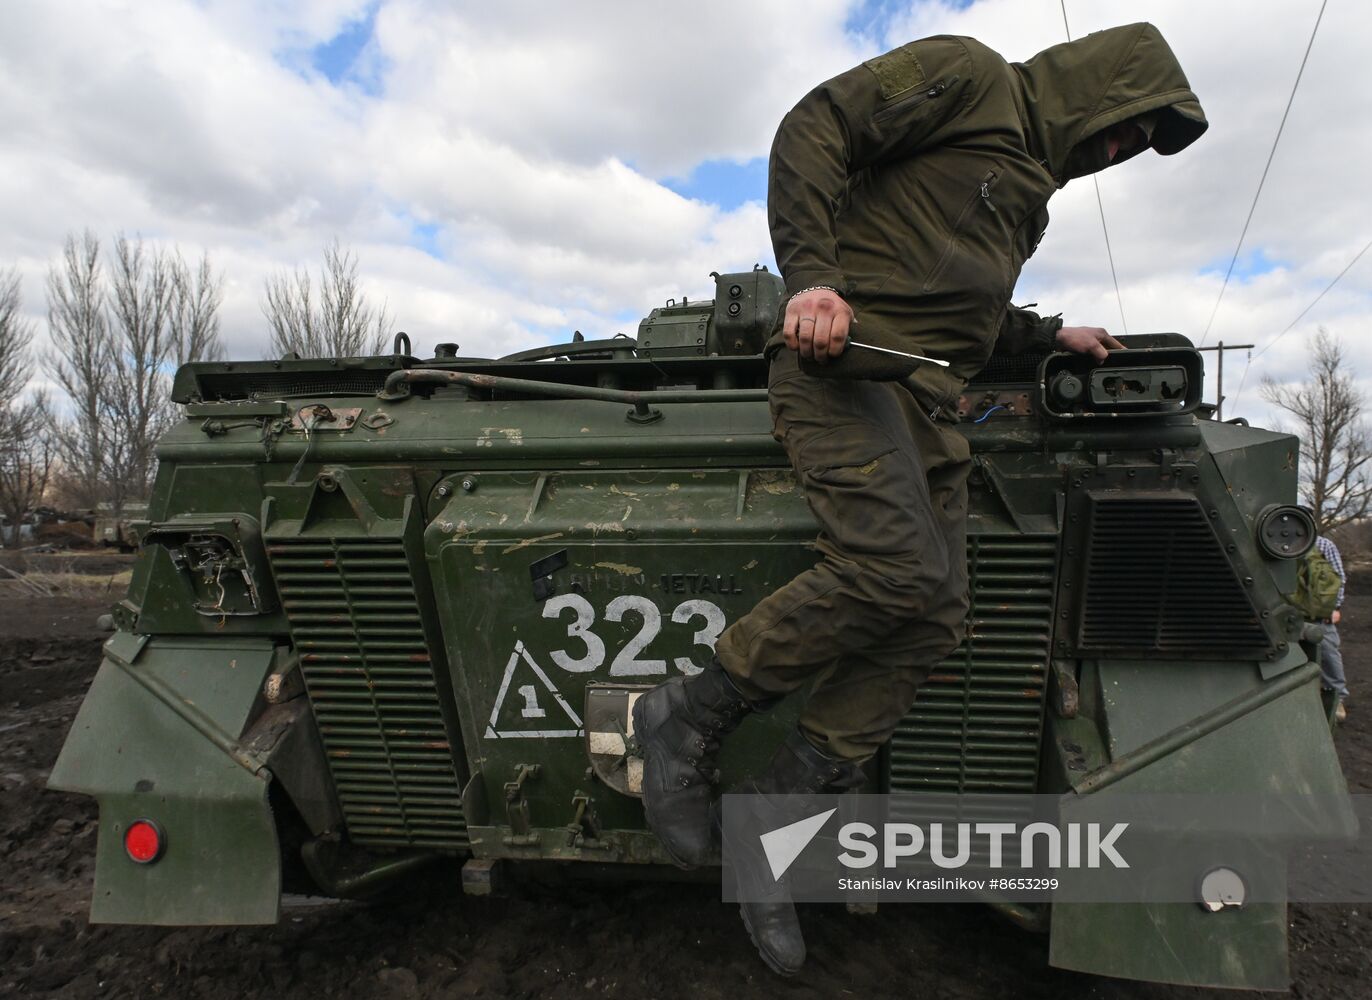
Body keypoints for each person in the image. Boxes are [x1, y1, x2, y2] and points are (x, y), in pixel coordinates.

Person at [633, 22, 1208, 975]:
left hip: (929, 405)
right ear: (1103, 88)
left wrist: (1048, 337)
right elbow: (814, 127)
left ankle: (769, 830)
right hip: (841, 368)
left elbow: (958, 311)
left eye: (1135, 149)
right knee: (892, 566)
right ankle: (687, 714)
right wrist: (812, 277)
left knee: (934, 612)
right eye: (1125, 130)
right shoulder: (970, 77)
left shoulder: (1028, 196)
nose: (1116, 153)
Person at [1315, 535, 1349, 722]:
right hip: (1287, 611)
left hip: (1319, 611)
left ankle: (1337, 699)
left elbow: (1338, 577)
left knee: (1329, 654)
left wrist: (1335, 607)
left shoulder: (1323, 544)